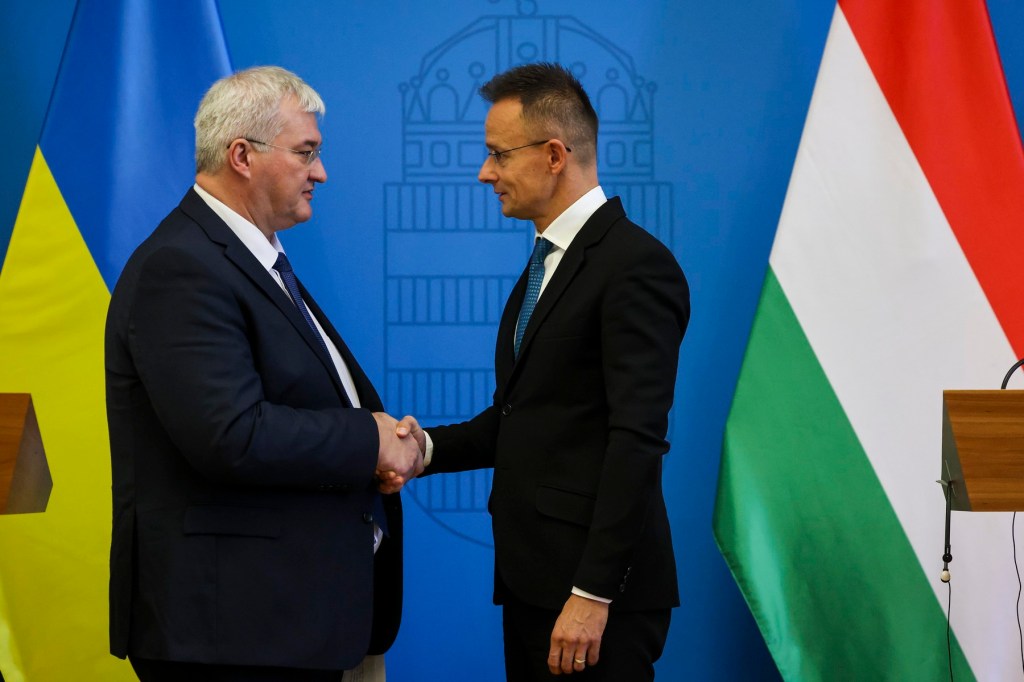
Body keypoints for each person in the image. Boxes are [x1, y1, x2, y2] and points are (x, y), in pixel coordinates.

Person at [105, 66, 422, 681]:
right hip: (232, 635)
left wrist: (369, 452)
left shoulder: (252, 260)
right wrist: (370, 439)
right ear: (242, 156)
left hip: (289, 623)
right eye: (306, 152)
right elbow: (231, 435)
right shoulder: (182, 267)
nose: (320, 173)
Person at [412, 62, 690, 680]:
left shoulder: (635, 266)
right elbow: (523, 417)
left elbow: (637, 439)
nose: (485, 173)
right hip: (534, 583)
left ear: (555, 155)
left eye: (498, 154)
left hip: (593, 601)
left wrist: (593, 594)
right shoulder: (547, 263)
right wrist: (420, 448)